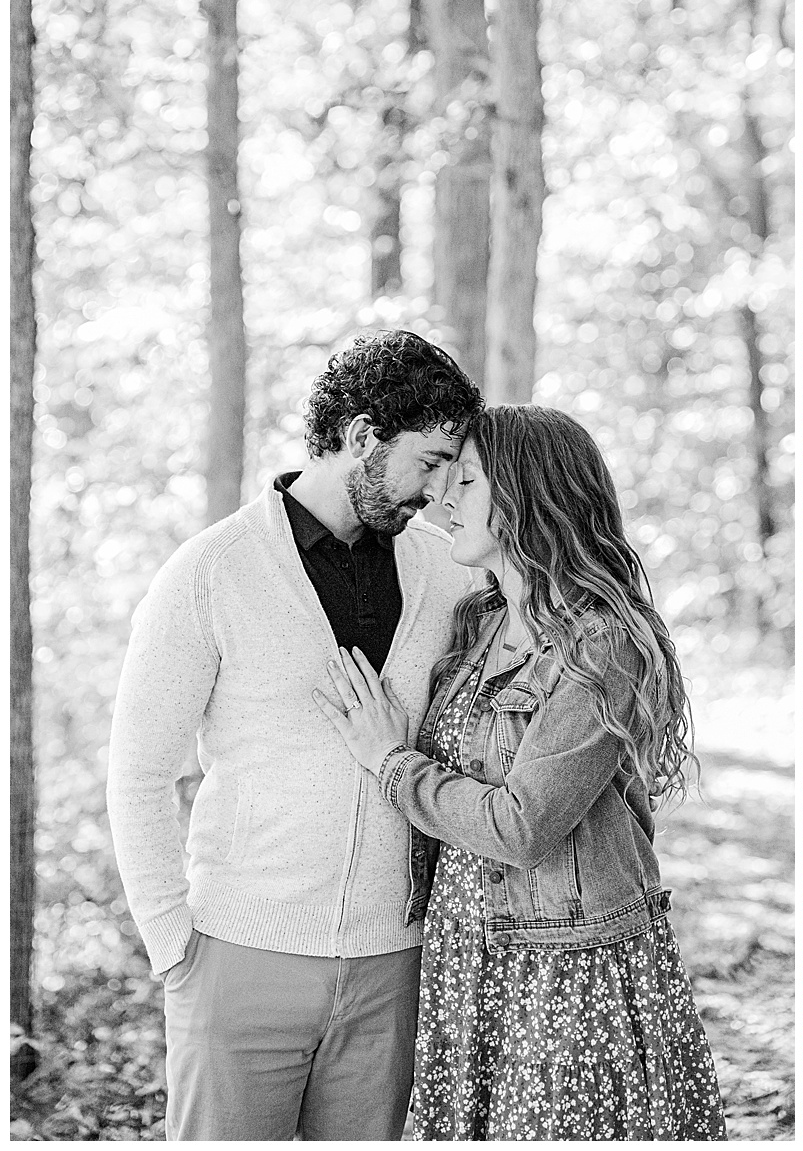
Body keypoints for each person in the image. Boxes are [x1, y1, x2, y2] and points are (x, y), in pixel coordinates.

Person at [106, 330, 483, 1139]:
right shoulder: (213, 569)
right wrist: (174, 949)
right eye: (428, 461)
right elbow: (139, 773)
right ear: (361, 436)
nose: (437, 489)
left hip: (395, 965)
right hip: (239, 958)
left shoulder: (448, 571)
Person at [314, 404, 726, 1140]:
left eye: (468, 481)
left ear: (527, 497)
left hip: (564, 968)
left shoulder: (601, 645)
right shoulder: (479, 623)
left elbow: (522, 825)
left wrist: (390, 763)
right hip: (467, 957)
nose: (443, 497)